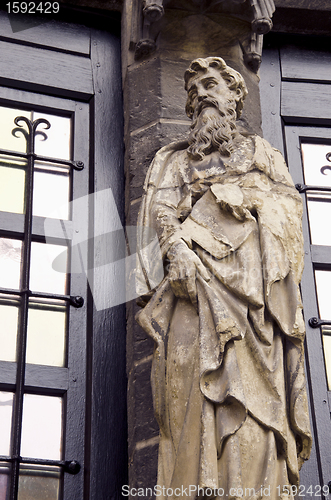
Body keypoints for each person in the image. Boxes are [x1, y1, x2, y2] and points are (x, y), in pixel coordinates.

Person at [136, 57, 312, 500]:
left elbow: (290, 216)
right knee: (186, 395)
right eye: (193, 91)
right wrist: (174, 245)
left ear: (236, 95)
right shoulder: (170, 160)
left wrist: (243, 199)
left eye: (212, 85)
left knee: (254, 411)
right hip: (191, 294)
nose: (202, 96)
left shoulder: (263, 155)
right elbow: (157, 214)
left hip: (255, 304)